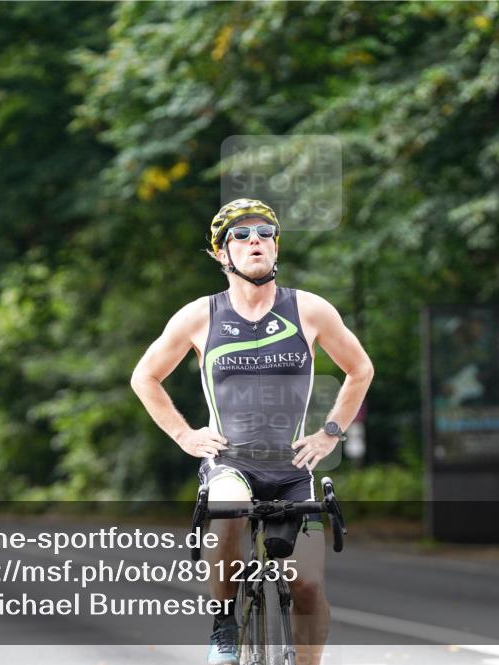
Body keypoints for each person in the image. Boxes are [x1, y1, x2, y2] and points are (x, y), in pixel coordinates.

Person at [130, 198, 374, 665]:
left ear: (276, 246)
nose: (254, 240)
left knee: (306, 584)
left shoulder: (309, 309)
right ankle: (224, 621)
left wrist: (329, 433)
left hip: (292, 468)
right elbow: (145, 377)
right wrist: (185, 437)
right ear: (223, 255)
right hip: (230, 462)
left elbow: (360, 369)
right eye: (239, 236)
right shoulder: (200, 316)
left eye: (263, 232)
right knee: (229, 508)